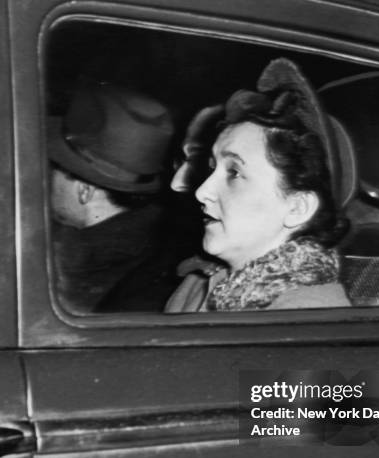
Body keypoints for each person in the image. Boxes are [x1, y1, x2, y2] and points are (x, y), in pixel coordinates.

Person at [165, 58, 352, 312]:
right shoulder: (197, 285)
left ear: (298, 207)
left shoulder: (307, 317)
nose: (201, 191)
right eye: (212, 168)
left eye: (234, 173)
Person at [48, 80, 188, 313]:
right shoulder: (157, 246)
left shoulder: (73, 270)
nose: (48, 181)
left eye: (56, 170)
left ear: (85, 191)